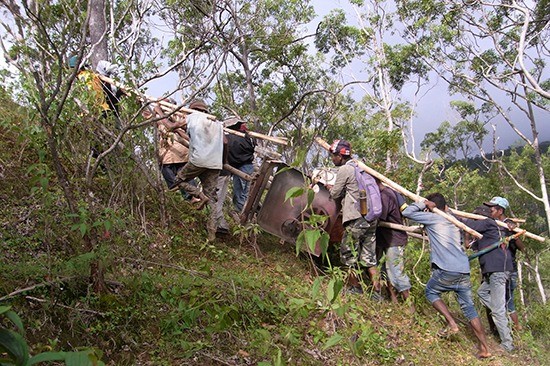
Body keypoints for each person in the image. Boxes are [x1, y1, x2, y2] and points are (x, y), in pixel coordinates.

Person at [402, 193, 491, 359]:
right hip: (463, 269)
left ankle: (451, 323)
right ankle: (485, 348)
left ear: (432, 207)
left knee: (431, 292)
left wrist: (423, 203)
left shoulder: (434, 219)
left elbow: (407, 213)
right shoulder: (452, 220)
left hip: (446, 269)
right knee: (470, 310)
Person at [327, 139, 381, 296]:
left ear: (341, 156)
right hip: (371, 218)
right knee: (369, 257)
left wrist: (331, 188)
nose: (332, 158)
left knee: (348, 253)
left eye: (334, 156)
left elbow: (335, 194)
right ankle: (377, 292)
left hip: (356, 218)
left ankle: (355, 288)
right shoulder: (361, 168)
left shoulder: (345, 169)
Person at [464, 204, 514, 352]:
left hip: (497, 271)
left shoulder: (488, 223)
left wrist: (448, 213)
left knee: (497, 310)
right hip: (493, 271)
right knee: (482, 292)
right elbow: (468, 245)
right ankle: (502, 317)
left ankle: (507, 344)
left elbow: (468, 224)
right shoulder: (487, 232)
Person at [172, 99, 224, 241]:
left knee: (177, 180)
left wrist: (157, 111)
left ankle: (199, 195)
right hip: (214, 164)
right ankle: (211, 234)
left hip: (198, 160)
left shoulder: (192, 117)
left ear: (192, 109)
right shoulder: (218, 123)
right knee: (212, 200)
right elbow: (225, 141)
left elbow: (170, 126)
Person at [484, 196, 526, 331]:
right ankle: (495, 330)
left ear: (500, 210)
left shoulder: (508, 224)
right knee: (488, 297)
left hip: (508, 270)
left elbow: (522, 247)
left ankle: (516, 330)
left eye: (492, 207)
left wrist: (513, 231)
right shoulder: (493, 224)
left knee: (508, 302)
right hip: (494, 268)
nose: (489, 209)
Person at [375, 180, 411, 303]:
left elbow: (380, 216)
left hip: (394, 239)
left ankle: (409, 303)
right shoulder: (382, 193)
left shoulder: (385, 195)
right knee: (385, 270)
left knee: (396, 271)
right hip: (385, 239)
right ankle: (393, 298)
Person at [153, 99, 194, 199]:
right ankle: (191, 196)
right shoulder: (180, 115)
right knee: (183, 176)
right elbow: (148, 115)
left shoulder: (179, 115)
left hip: (175, 153)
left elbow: (171, 126)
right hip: (173, 153)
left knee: (178, 176)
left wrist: (158, 109)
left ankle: (191, 195)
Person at [224, 116, 256, 214]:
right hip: (248, 166)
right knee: (244, 192)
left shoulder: (230, 138)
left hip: (241, 168)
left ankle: (243, 215)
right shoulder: (248, 137)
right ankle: (243, 213)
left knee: (241, 194)